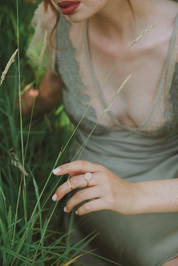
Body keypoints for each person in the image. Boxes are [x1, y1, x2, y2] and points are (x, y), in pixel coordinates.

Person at [24, 0, 178, 265]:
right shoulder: (60, 21)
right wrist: (13, 112)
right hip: (95, 193)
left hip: (167, 193)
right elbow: (46, 93)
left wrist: (134, 194)